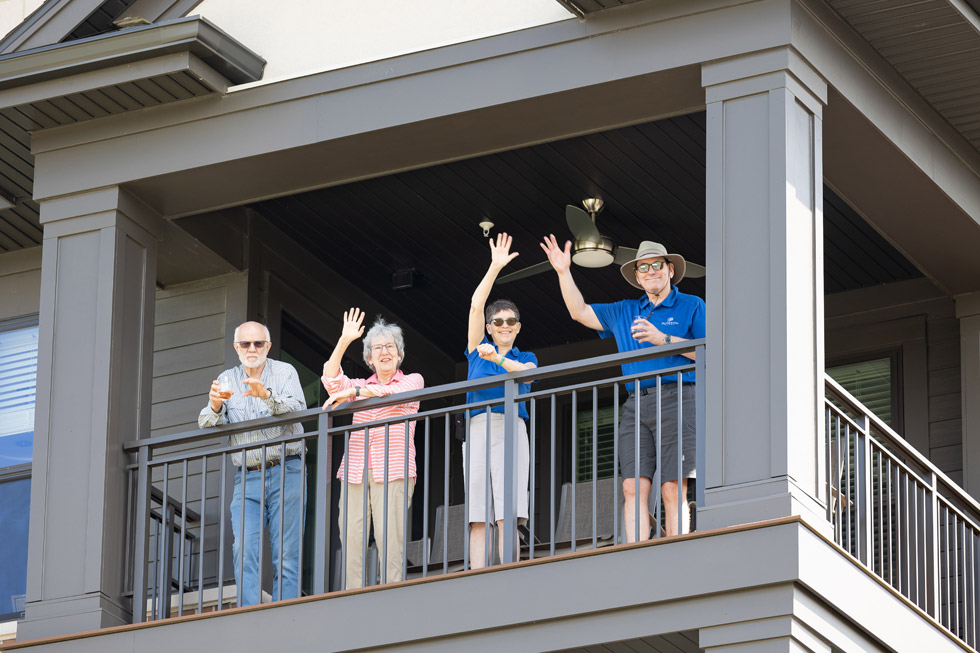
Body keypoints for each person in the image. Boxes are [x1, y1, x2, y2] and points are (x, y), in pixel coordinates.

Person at [540, 236, 705, 539]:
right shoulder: (625, 310)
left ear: (670, 269)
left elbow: (710, 352)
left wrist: (662, 339)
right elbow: (579, 312)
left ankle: (679, 550)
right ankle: (638, 553)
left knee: (672, 485)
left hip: (678, 396)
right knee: (632, 486)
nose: (650, 271)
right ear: (637, 277)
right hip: (635, 403)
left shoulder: (692, 305)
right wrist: (563, 272)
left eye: (656, 265)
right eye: (643, 267)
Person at [198, 321, 307, 606]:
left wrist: (267, 397)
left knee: (286, 553)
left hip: (288, 469)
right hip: (247, 478)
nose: (252, 349)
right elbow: (205, 422)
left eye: (258, 343)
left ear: (268, 346)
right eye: (245, 344)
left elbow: (300, 409)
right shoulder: (225, 379)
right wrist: (215, 407)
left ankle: (287, 614)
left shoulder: (285, 372)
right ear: (236, 347)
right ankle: (248, 615)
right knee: (244, 548)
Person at [321, 310, 424, 588]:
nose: (385, 352)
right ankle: (354, 596)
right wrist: (344, 341)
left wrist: (354, 394)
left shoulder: (412, 380)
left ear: (399, 354)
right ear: (369, 358)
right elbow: (330, 381)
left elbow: (396, 394)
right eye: (377, 348)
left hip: (394, 469)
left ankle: (391, 595)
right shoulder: (359, 384)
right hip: (355, 470)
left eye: (390, 346)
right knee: (352, 537)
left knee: (390, 537)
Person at [465, 233, 538, 568]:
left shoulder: (525, 356)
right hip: (478, 426)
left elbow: (525, 374)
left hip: (511, 427)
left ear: (518, 327)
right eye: (498, 322)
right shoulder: (475, 350)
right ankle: (478, 575)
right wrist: (494, 267)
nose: (505, 325)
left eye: (511, 321)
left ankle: (509, 572)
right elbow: (476, 305)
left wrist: (497, 359)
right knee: (478, 512)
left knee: (509, 510)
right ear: (489, 328)